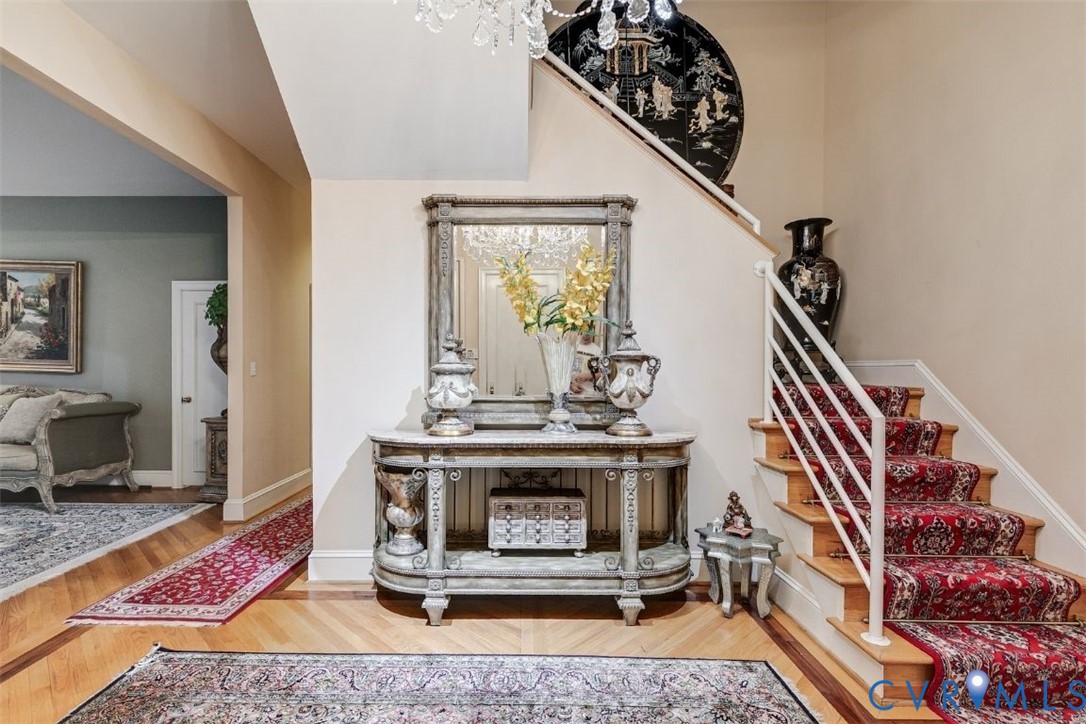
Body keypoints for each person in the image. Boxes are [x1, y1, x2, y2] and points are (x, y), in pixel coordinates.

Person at [570, 330, 603, 394]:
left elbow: (603, 373)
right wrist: (571, 384)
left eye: (588, 333)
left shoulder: (597, 350)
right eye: (584, 333)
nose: (585, 336)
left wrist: (589, 376)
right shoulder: (572, 347)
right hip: (571, 392)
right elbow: (564, 371)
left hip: (590, 392)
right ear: (580, 332)